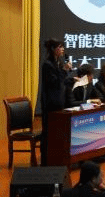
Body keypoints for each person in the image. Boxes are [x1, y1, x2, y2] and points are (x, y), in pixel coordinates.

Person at [40, 38, 73, 166]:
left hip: (59, 102)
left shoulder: (58, 63)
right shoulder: (47, 65)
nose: (63, 49)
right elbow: (54, 83)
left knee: (58, 134)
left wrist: (72, 80)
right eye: (60, 47)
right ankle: (46, 161)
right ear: (53, 49)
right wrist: (64, 70)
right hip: (50, 104)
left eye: (63, 46)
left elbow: (61, 81)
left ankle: (56, 160)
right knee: (49, 134)